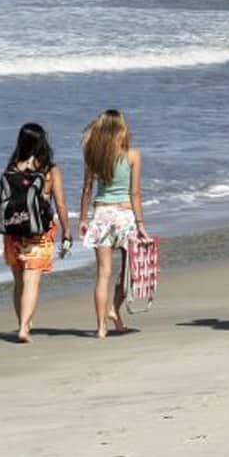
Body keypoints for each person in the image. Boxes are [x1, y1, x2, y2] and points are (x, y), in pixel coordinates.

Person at [79, 109, 149, 339]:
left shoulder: (93, 156)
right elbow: (135, 193)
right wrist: (140, 224)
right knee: (129, 271)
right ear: (120, 130)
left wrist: (82, 219)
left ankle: (101, 327)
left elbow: (87, 189)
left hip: (101, 216)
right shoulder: (132, 156)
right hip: (125, 216)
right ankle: (114, 309)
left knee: (103, 274)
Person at [1, 122, 71, 343]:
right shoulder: (50, 170)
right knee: (32, 280)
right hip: (38, 234)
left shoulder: (13, 166)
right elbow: (60, 205)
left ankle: (23, 322)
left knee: (19, 281)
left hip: (13, 232)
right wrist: (67, 232)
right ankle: (24, 328)